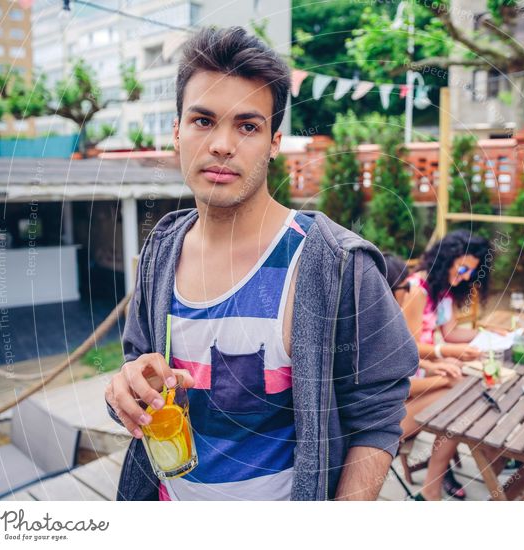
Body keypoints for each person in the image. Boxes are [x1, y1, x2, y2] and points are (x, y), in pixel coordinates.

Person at [104, 27, 417, 501]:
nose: (222, 145)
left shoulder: (334, 263)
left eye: (247, 126)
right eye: (203, 121)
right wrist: (126, 391)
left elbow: (377, 412)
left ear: (274, 141)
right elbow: (137, 364)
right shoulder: (161, 248)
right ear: (176, 132)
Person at [395, 231, 497, 499]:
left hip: (419, 376)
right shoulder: (416, 290)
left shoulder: (443, 291)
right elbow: (406, 349)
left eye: (470, 273)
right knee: (462, 395)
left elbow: (450, 332)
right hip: (400, 386)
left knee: (465, 390)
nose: (465, 276)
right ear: (446, 259)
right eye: (462, 268)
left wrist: (485, 334)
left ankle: (436, 484)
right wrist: (443, 354)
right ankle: (437, 484)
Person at [383, 254, 467, 501]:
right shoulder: (373, 330)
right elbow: (395, 386)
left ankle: (434, 482)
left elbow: (399, 360)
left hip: (391, 407)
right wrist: (442, 378)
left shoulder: (379, 321)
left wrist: (433, 364)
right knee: (456, 397)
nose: (411, 293)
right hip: (377, 425)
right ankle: (432, 487)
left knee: (456, 391)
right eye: (406, 287)